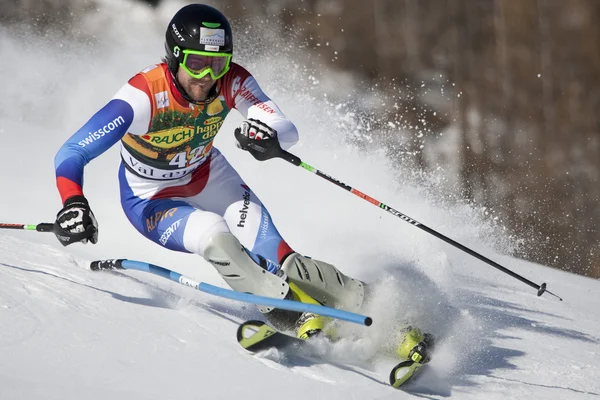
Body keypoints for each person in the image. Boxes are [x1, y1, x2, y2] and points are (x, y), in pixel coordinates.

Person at [53, 3, 431, 362]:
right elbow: (72, 152)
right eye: (197, 64)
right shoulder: (142, 96)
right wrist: (73, 202)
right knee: (216, 236)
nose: (207, 78)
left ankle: (390, 323)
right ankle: (295, 315)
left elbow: (286, 128)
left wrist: (268, 136)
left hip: (208, 175)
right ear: (174, 57)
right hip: (150, 199)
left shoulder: (232, 81)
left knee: (283, 259)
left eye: (217, 64)